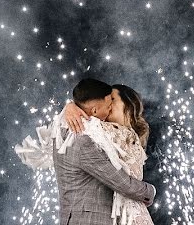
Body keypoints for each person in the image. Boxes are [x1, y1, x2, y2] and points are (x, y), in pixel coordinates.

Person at [15, 78, 156, 225]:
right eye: (108, 101)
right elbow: (123, 183)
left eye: (112, 100)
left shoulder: (121, 139)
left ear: (128, 106)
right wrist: (70, 107)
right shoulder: (83, 134)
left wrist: (70, 107)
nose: (108, 107)